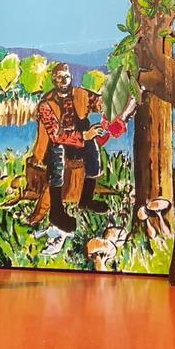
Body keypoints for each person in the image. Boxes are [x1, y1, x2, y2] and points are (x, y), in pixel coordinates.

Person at [30, 63, 108, 233]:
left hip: (81, 141)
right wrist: (85, 136)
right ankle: (56, 212)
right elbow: (56, 135)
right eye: (60, 77)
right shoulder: (46, 104)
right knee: (57, 155)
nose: (64, 80)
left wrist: (106, 101)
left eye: (66, 76)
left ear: (71, 77)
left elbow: (99, 102)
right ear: (54, 79)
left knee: (93, 152)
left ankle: (86, 200)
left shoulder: (81, 94)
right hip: (59, 143)